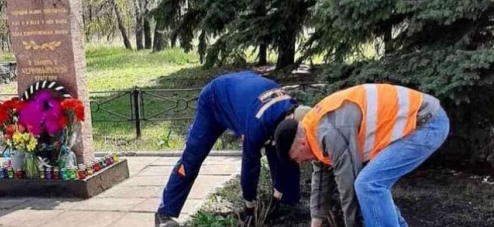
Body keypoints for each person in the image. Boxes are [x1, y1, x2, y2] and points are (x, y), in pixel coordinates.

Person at [273, 83, 449, 227]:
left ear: (301, 143)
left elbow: (348, 186)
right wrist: (315, 223)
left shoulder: (330, 132)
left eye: (296, 158)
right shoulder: (311, 132)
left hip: (427, 123)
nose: (300, 162)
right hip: (419, 123)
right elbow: (320, 181)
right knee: (371, 186)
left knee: (368, 185)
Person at [155, 71, 306, 227]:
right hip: (214, 100)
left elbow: (287, 156)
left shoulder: (293, 112)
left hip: (241, 97)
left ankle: (289, 202)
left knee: (282, 151)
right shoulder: (258, 125)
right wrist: (250, 207)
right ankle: (164, 214)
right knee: (192, 157)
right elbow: (250, 165)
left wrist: (279, 197)